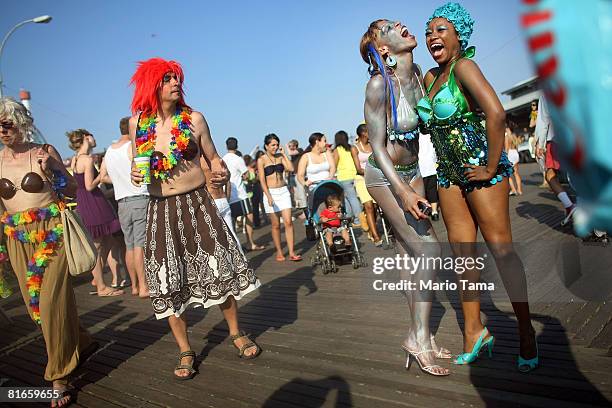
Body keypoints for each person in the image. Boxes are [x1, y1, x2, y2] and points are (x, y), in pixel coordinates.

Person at [418, 2, 537, 372]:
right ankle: (474, 331)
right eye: (429, 31)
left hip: (478, 171)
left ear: (458, 35)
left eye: (441, 29)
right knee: (463, 257)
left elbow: (496, 113)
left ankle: (525, 329)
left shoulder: (464, 67)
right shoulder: (429, 78)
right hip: (449, 175)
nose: (433, 36)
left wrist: (489, 166)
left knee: (501, 251)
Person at [129, 58, 261, 380]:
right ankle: (185, 350)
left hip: (198, 202)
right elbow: (139, 162)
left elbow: (213, 158)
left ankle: (235, 332)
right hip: (160, 209)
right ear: (152, 85)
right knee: (167, 280)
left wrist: (220, 170)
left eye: (177, 78)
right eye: (168, 79)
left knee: (219, 269)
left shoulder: (195, 120)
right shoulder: (138, 125)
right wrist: (136, 172)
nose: (176, 83)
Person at [361, 19, 450, 376]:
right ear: (383, 49)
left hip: (413, 172)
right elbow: (378, 148)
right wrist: (403, 191)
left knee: (412, 257)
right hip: (385, 177)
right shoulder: (379, 85)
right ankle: (416, 336)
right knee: (429, 249)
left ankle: (423, 339)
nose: (400, 24)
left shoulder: (419, 78)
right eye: (388, 28)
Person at [0, 97, 97, 407]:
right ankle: (80, 339)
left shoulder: (43, 152)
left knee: (51, 300)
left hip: (49, 233)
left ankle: (59, 375)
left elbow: (71, 189)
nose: (3, 131)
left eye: (7, 123)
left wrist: (52, 169)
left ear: (20, 123)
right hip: (17, 237)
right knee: (36, 309)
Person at [67, 129, 124, 297]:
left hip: (85, 202)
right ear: (86, 138)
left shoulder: (75, 159)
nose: (94, 138)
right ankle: (101, 286)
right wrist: (103, 172)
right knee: (99, 245)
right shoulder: (87, 159)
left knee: (107, 239)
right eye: (91, 135)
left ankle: (97, 278)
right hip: (93, 203)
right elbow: (90, 185)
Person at [98, 116, 149, 297]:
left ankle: (134, 286)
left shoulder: (110, 151)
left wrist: (119, 182)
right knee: (141, 244)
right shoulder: (132, 147)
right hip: (139, 198)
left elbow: (102, 176)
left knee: (129, 245)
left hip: (122, 202)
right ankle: (144, 286)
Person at [257, 134, 302, 262]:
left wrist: (284, 154)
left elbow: (291, 168)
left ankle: (292, 252)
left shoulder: (280, 157)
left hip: (283, 191)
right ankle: (279, 251)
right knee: (276, 224)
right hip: (270, 192)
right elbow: (262, 180)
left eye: (277, 145)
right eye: (273, 145)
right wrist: (268, 196)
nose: (275, 147)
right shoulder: (262, 160)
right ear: (266, 146)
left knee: (288, 222)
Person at [535, 95, 576, 225]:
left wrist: (539, 144)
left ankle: (570, 206)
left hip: (556, 138)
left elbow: (543, 119)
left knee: (550, 174)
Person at [223, 137, 265, 251]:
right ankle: (250, 243)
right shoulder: (238, 159)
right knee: (249, 217)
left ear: (226, 146)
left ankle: (235, 247)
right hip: (241, 194)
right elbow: (246, 175)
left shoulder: (222, 159)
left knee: (232, 222)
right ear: (237, 146)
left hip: (228, 195)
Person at [354, 124, 383, 245]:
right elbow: (358, 168)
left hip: (375, 177)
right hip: (362, 178)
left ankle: (371, 229)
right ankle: (376, 236)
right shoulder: (355, 148)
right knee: (369, 206)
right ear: (364, 133)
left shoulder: (373, 145)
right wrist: (371, 171)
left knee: (375, 207)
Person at [332, 130, 363, 225]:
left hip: (343, 177)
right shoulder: (352, 148)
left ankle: (358, 220)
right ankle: (351, 218)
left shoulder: (337, 150)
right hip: (354, 175)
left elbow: (334, 165)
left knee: (351, 198)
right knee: (348, 198)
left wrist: (332, 176)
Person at [418, 132, 441, 220]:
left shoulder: (415, 136)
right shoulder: (430, 135)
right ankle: (434, 212)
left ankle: (424, 210)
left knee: (421, 191)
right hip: (431, 167)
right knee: (432, 190)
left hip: (421, 168)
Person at [286, 139, 307, 213]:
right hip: (293, 175)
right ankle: (301, 211)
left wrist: (286, 146)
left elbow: (290, 153)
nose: (289, 147)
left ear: (295, 146)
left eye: (290, 146)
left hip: (299, 174)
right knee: (296, 195)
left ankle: (306, 211)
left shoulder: (300, 150)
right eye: (289, 146)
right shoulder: (293, 155)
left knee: (302, 194)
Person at [505, 125, 523, 196]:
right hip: (515, 153)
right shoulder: (514, 136)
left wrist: (505, 157)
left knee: (508, 174)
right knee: (516, 173)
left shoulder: (507, 137)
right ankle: (519, 190)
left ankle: (513, 189)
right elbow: (517, 146)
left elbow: (506, 148)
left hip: (510, 154)